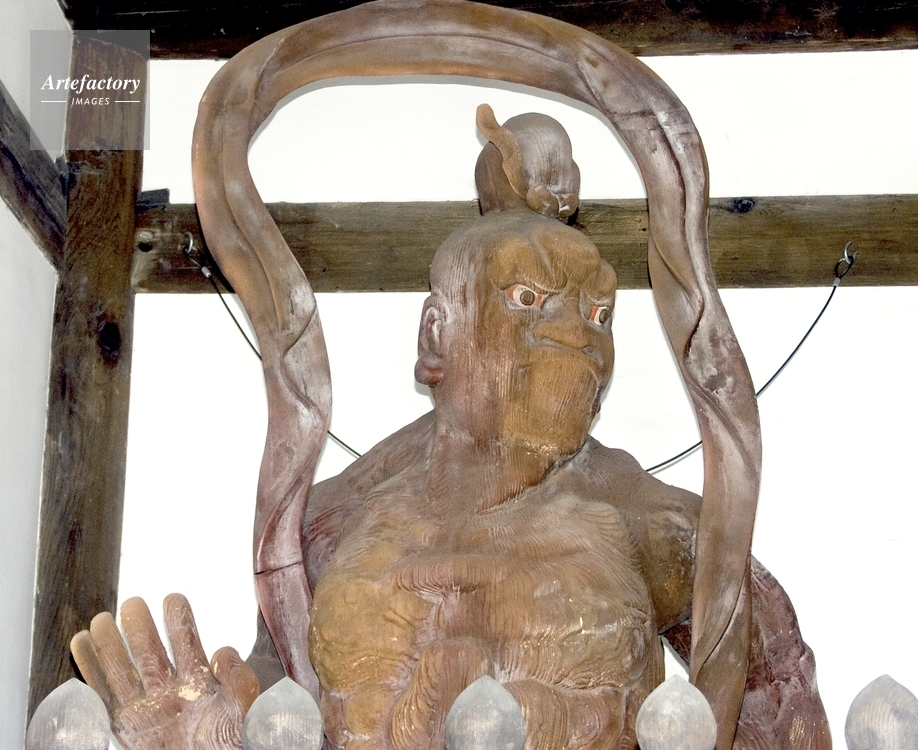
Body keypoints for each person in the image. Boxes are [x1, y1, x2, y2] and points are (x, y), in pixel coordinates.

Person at [71, 110, 832, 750]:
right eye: (529, 298)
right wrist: (213, 735)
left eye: (600, 313)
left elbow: (779, 700)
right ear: (438, 335)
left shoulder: (662, 528)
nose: (579, 330)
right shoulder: (326, 528)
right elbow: (282, 706)